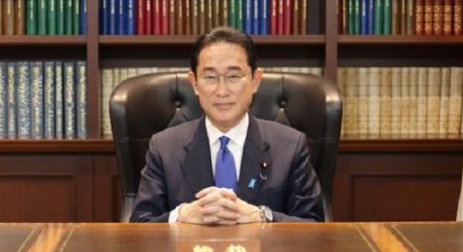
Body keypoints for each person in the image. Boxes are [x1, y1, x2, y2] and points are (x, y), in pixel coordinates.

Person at [130, 27, 324, 224]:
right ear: (194, 83)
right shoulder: (164, 148)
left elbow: (314, 226)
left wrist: (263, 216)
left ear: (255, 81)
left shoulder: (290, 146)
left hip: (262, 246)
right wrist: (180, 215)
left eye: (233, 77)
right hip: (190, 245)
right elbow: (140, 225)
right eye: (210, 77)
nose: (222, 91)